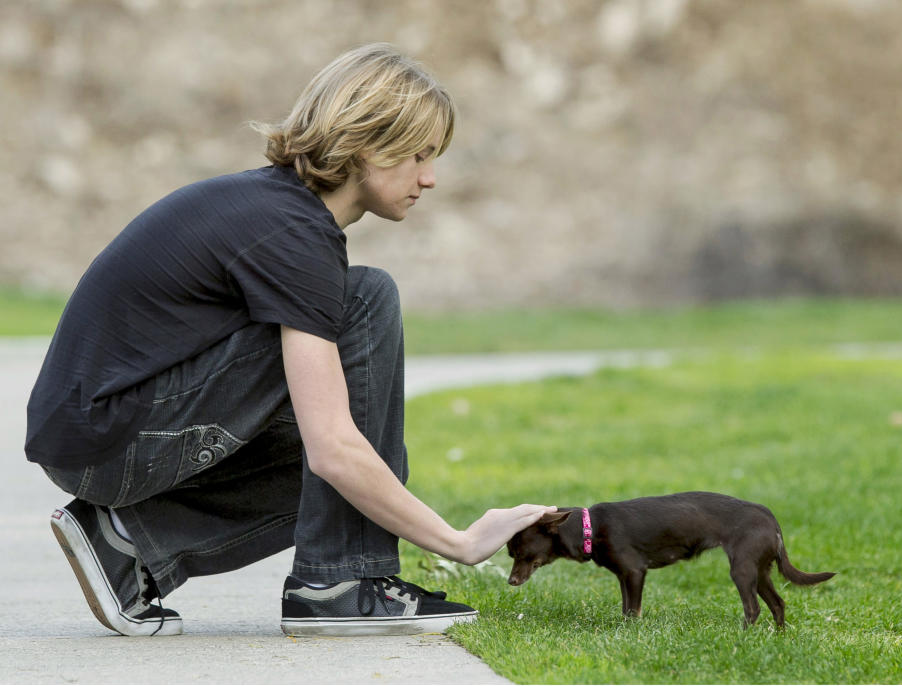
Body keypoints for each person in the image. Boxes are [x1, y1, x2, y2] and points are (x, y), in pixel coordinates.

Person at [26, 43, 555, 637]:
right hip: (111, 440)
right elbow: (332, 448)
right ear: (367, 146)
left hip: (98, 440)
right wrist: (460, 541)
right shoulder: (293, 234)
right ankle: (340, 584)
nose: (429, 178)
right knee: (365, 305)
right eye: (418, 155)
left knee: (365, 452)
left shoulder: (279, 212)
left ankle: (127, 544)